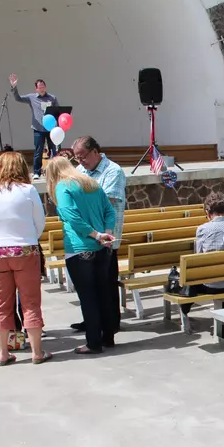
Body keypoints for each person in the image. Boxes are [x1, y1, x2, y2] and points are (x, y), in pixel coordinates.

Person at [0, 152, 51, 366]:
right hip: (24, 249)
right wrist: (28, 237)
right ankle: (37, 352)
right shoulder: (28, 190)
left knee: (1, 303)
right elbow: (39, 222)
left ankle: (3, 353)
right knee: (30, 302)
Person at [45, 157, 118, 354]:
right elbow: (110, 211)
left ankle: (93, 343)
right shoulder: (90, 182)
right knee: (103, 293)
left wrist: (95, 234)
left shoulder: (62, 186)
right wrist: (106, 232)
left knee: (88, 298)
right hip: (103, 247)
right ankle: (108, 337)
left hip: (79, 248)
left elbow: (71, 216)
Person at [71, 137, 127, 334]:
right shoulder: (79, 171)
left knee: (106, 282)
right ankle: (93, 321)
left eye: (83, 156)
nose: (80, 161)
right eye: (76, 158)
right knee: (89, 283)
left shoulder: (113, 171)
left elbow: (107, 202)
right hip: (88, 237)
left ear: (95, 151)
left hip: (107, 237)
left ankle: (111, 324)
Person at [179, 193, 224, 323]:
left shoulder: (202, 230)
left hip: (210, 285)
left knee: (190, 279)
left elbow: (198, 258)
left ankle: (184, 310)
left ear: (208, 212)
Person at [9, 74, 59, 179]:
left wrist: (58, 126)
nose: (42, 89)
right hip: (38, 128)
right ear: (36, 89)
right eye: (39, 87)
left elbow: (58, 112)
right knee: (38, 151)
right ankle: (37, 172)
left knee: (53, 150)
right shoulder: (31, 97)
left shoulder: (52, 98)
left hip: (51, 129)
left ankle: (55, 172)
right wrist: (14, 87)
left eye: (43, 87)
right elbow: (18, 98)